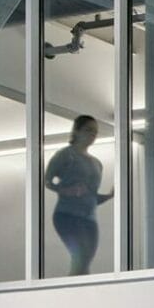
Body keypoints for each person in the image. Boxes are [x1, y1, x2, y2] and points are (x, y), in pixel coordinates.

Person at [45, 114, 109, 275]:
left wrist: (109, 196)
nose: (92, 135)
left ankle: (81, 293)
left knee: (86, 259)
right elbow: (47, 180)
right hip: (68, 215)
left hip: (89, 218)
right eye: (88, 130)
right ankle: (73, 293)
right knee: (80, 257)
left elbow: (91, 197)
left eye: (95, 132)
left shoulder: (97, 163)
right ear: (77, 131)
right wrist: (65, 190)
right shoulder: (66, 155)